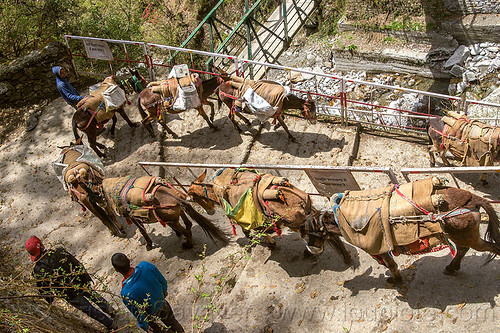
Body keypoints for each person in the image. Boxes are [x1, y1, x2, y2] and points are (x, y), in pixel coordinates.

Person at [25, 236, 117, 331]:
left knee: (89, 309)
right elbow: (76, 263)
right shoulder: (59, 252)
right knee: (93, 295)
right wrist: (85, 277)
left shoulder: (38, 271)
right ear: (41, 246)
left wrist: (50, 299)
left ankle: (110, 324)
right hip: (79, 280)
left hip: (68, 293)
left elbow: (45, 293)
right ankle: (111, 311)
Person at [111, 253, 184, 333]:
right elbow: (162, 281)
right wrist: (164, 291)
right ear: (129, 260)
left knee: (160, 330)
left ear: (116, 270)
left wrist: (144, 325)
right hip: (162, 302)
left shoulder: (125, 293)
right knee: (172, 321)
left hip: (150, 314)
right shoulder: (145, 266)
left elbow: (137, 313)